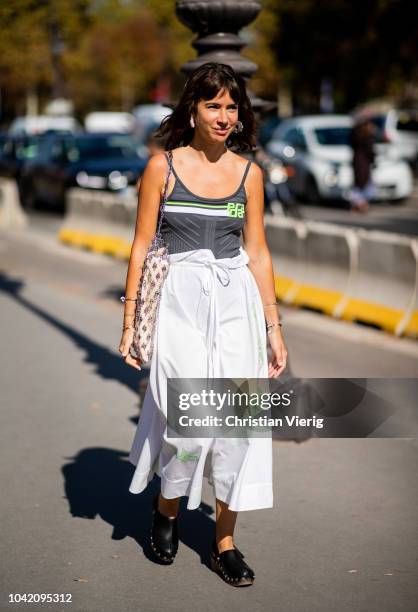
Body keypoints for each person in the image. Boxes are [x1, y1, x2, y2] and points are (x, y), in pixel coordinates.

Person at [118, 62, 288, 587]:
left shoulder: (249, 174)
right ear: (192, 108)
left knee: (237, 426)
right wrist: (129, 325)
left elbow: (257, 252)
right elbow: (143, 244)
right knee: (189, 420)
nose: (223, 116)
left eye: (232, 107)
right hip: (179, 302)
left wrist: (273, 328)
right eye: (213, 105)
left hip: (236, 301)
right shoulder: (162, 167)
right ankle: (168, 508)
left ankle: (225, 541)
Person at [349, 118, 377, 212]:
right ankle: (361, 204)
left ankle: (359, 203)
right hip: (364, 162)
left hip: (357, 161)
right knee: (364, 184)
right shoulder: (368, 137)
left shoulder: (355, 134)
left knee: (359, 183)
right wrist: (373, 160)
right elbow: (370, 151)